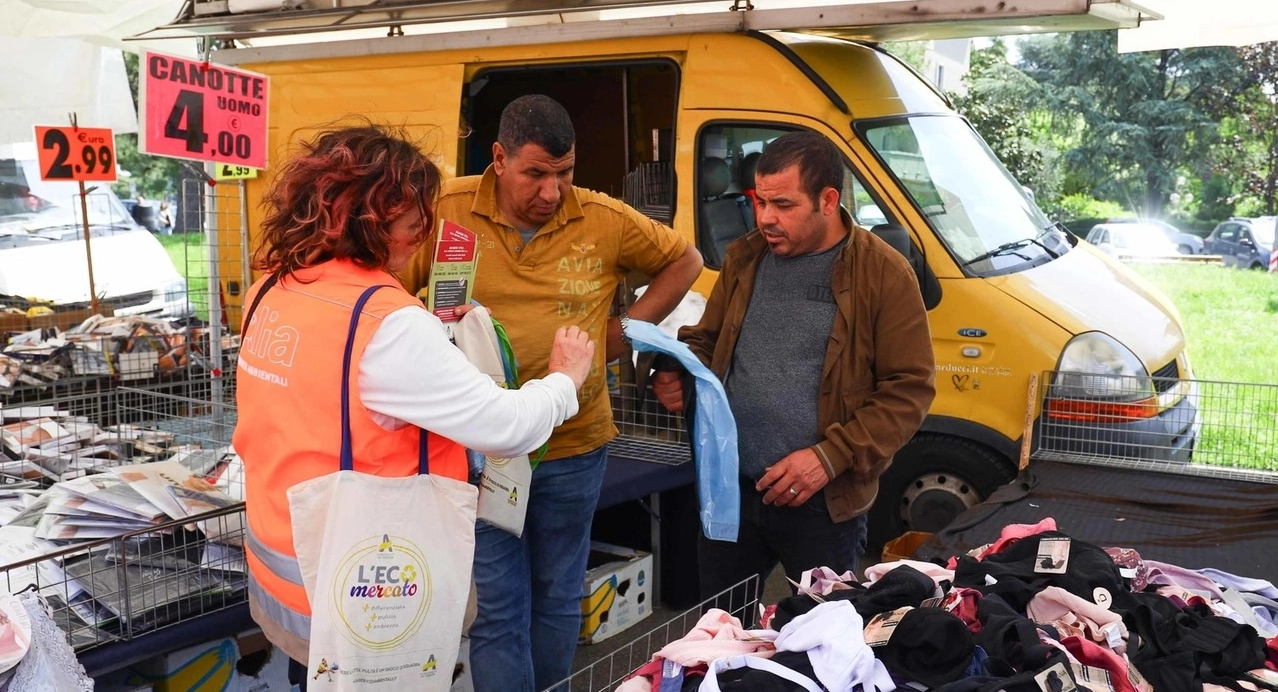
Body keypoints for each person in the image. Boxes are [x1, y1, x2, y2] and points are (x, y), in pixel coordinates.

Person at [231, 123, 595, 688]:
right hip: (367, 588)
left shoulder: (274, 288)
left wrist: (426, 335)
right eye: (411, 223)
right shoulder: (386, 325)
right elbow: (507, 426)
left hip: (284, 572)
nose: (420, 237)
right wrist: (564, 380)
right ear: (370, 223)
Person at [401, 94, 703, 692]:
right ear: (498, 158)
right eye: (535, 173)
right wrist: (428, 322)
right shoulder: (445, 211)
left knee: (559, 594)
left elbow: (684, 260)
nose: (550, 191)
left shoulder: (603, 218)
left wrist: (621, 335)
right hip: (480, 451)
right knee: (497, 607)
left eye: (563, 174)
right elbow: (386, 294)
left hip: (573, 443)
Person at [652, 130, 936, 598]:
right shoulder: (746, 257)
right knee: (722, 633)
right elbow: (707, 340)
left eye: (783, 205)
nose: (766, 218)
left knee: (821, 640)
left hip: (821, 504)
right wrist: (677, 372)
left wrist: (829, 458)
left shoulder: (882, 273)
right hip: (731, 491)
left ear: (828, 200)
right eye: (759, 201)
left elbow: (909, 390)